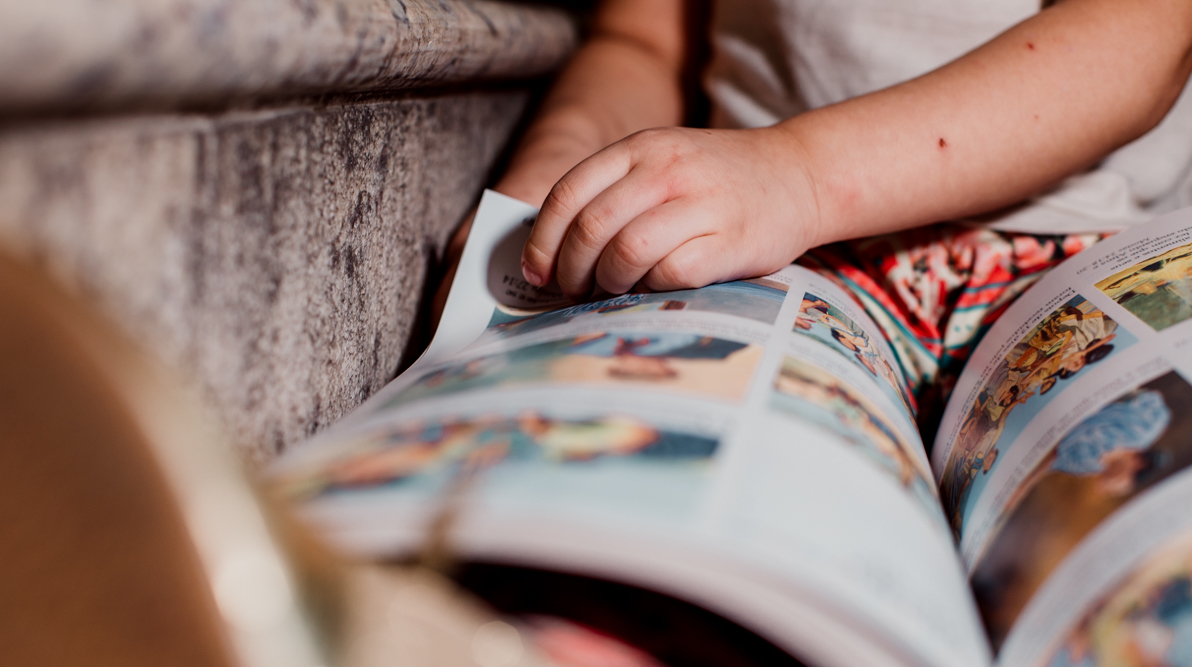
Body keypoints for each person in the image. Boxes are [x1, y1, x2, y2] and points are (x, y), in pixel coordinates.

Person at [437, 0, 1192, 424]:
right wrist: (558, 171)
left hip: (1090, 253)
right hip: (772, 257)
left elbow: (1143, 35)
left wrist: (802, 176)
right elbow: (648, 39)